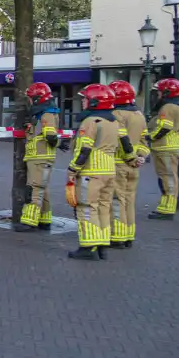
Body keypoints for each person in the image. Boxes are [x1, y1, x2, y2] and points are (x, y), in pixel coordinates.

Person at [65, 83, 133, 261]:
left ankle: (88, 246)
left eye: (85, 99)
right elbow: (126, 143)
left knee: (87, 207)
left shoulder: (90, 121)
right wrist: (133, 158)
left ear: (95, 102)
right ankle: (102, 245)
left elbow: (84, 149)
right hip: (109, 170)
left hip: (91, 171)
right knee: (104, 207)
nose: (82, 102)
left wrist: (73, 169)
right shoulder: (113, 121)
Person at [109, 80, 148, 249]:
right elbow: (144, 141)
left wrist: (131, 157)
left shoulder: (116, 114)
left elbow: (121, 139)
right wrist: (140, 157)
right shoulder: (139, 115)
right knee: (129, 201)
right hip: (134, 167)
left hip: (119, 163)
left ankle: (117, 236)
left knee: (117, 201)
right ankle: (129, 235)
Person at [16, 82, 60, 232]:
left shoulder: (46, 114)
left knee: (34, 189)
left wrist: (57, 141)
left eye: (30, 98)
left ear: (37, 99)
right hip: (40, 157)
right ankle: (44, 219)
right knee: (43, 189)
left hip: (39, 158)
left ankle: (29, 221)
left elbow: (51, 136)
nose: (28, 101)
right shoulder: (43, 113)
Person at [146, 78, 179, 219]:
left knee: (168, 178)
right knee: (166, 177)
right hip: (167, 146)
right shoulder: (175, 106)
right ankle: (165, 206)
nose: (159, 95)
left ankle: (167, 209)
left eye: (161, 92)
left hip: (165, 146)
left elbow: (165, 127)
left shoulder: (167, 107)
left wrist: (151, 137)